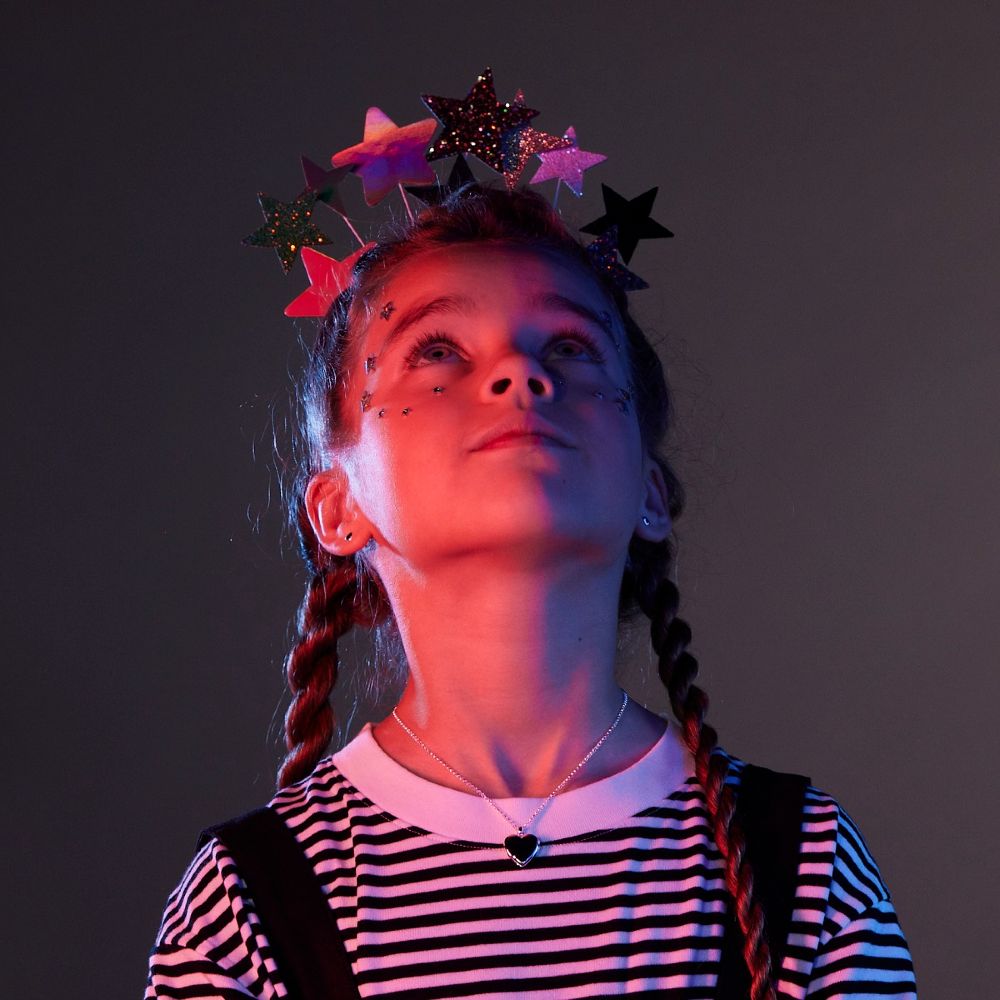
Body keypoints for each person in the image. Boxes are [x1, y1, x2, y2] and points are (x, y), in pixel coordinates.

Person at [144, 186, 918, 999]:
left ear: (651, 491)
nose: (519, 371)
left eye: (573, 348)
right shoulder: (244, 906)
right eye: (436, 349)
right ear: (340, 506)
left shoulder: (801, 865)